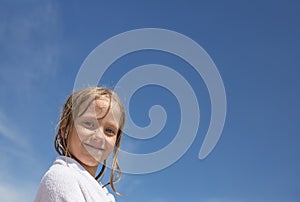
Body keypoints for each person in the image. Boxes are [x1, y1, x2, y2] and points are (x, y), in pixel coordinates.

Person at [35, 87, 125, 202]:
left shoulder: (101, 193)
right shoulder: (63, 178)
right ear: (65, 129)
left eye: (109, 131)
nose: (99, 136)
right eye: (89, 123)